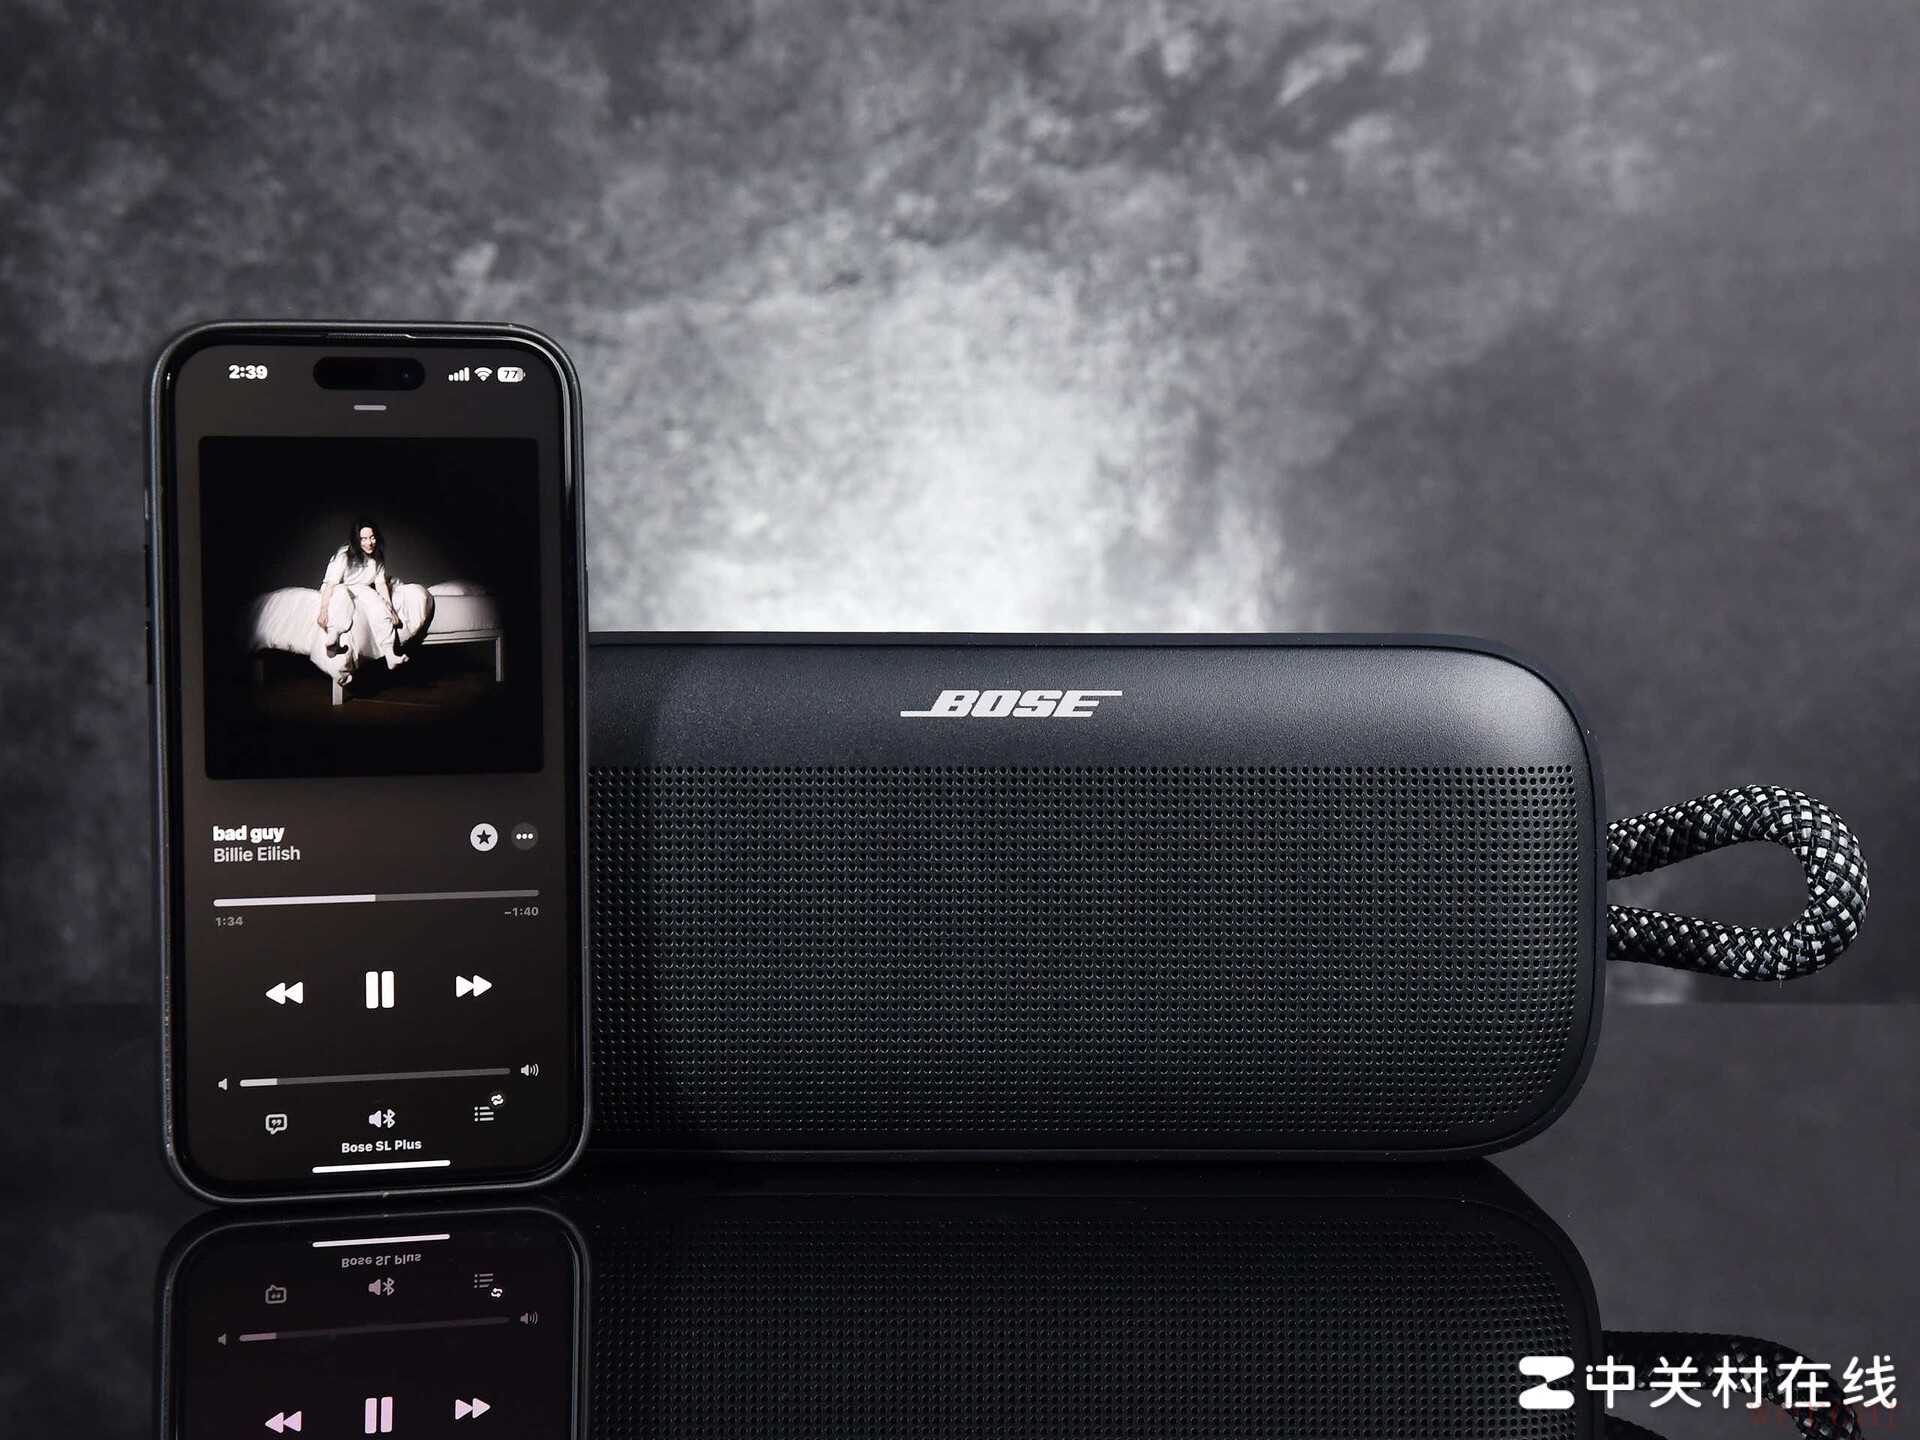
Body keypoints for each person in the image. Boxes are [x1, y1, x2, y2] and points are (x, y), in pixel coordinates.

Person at [311, 519, 410, 687]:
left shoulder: (377, 557)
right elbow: (331, 585)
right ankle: (332, 639)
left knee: (377, 602)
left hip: (361, 588)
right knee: (342, 595)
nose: (369, 542)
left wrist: (390, 608)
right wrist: (323, 610)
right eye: (363, 538)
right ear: (356, 540)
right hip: (337, 587)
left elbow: (380, 583)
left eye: (372, 537)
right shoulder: (344, 555)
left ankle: (390, 655)